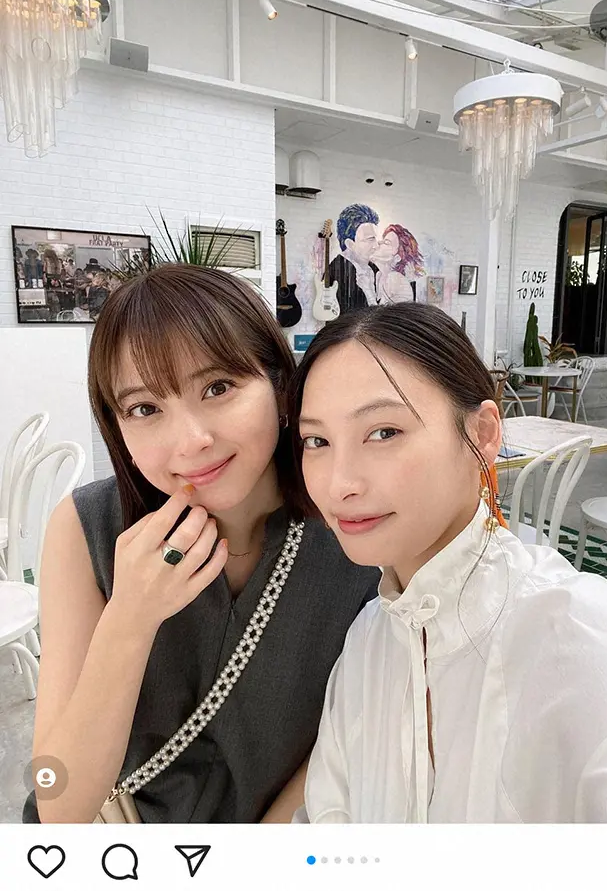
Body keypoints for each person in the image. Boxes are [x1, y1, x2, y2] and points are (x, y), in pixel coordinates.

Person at [290, 302, 607, 823]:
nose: (340, 483)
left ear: (483, 434)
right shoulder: (367, 641)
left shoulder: (586, 633)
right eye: (317, 441)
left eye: (383, 432)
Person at [25, 264, 378, 824]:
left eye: (218, 387)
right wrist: (130, 620)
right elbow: (57, 800)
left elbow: (351, 739)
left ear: (280, 387)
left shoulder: (352, 525)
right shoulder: (84, 528)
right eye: (145, 409)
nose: (191, 441)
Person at [326, 204, 379, 312]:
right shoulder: (338, 271)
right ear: (350, 244)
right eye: (370, 239)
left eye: (375, 239)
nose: (376, 246)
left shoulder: (373, 268)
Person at [371, 224, 425, 304]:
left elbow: (381, 311)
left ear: (397, 257)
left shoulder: (394, 278)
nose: (379, 243)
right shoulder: (379, 275)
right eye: (383, 240)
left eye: (386, 243)